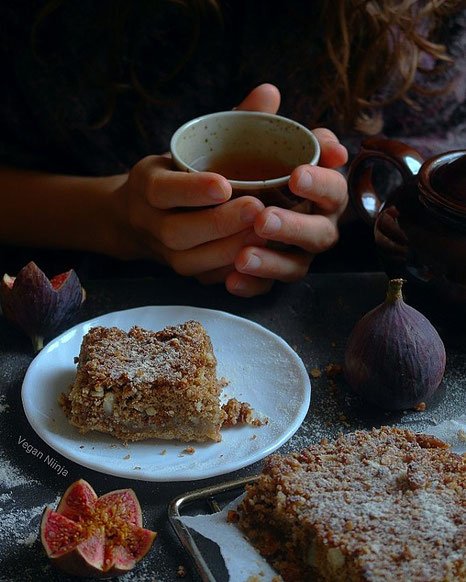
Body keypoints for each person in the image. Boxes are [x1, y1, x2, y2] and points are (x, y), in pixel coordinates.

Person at [0, 1, 464, 297]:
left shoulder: (426, 16)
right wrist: (115, 217)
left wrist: (329, 207)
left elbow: (443, 174)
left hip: (334, 299)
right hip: (73, 294)